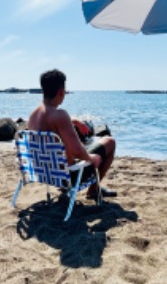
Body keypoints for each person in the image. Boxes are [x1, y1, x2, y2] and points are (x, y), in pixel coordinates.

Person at [28, 69, 117, 198]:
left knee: (76, 143)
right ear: (61, 91)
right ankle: (93, 190)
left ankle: (91, 188)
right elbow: (76, 151)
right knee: (110, 141)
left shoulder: (33, 115)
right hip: (69, 176)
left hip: (46, 174)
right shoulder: (60, 115)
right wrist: (91, 158)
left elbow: (49, 125)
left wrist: (73, 122)